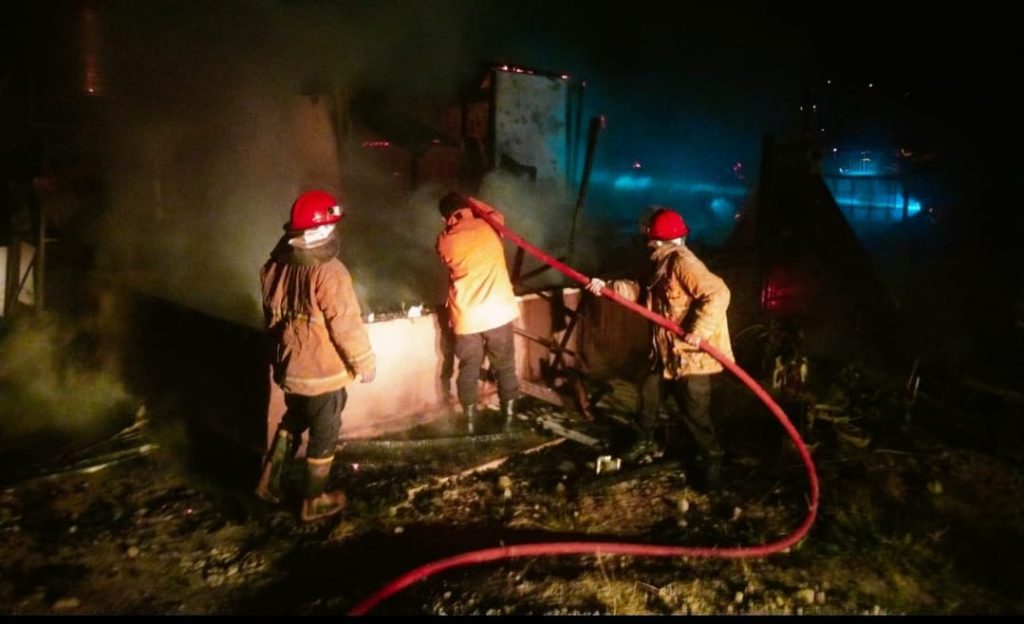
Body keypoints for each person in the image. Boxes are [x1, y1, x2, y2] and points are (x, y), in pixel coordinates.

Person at [586, 206, 734, 490]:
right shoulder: (662, 262)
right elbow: (642, 291)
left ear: (657, 238)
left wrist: (698, 331)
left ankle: (711, 461)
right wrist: (607, 288)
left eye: (649, 235)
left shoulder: (682, 263)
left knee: (695, 415)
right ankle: (644, 440)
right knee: (648, 392)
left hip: (692, 358)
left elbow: (718, 293)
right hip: (667, 354)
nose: (646, 240)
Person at [256, 189, 377, 522]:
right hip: (322, 372)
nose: (334, 231)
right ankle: (314, 500)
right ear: (319, 230)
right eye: (330, 225)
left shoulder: (272, 267)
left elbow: (271, 320)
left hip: (290, 368)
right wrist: (364, 362)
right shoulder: (330, 272)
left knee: (293, 420)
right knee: (325, 431)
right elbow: (346, 325)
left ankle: (268, 481)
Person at [435, 192, 520, 434]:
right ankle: (509, 422)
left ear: (446, 218)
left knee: (468, 368)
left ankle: (470, 424)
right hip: (498, 312)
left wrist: (456, 217)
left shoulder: (445, 240)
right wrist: (471, 203)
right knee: (504, 367)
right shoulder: (491, 226)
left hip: (467, 316)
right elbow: (496, 213)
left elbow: (445, 253)